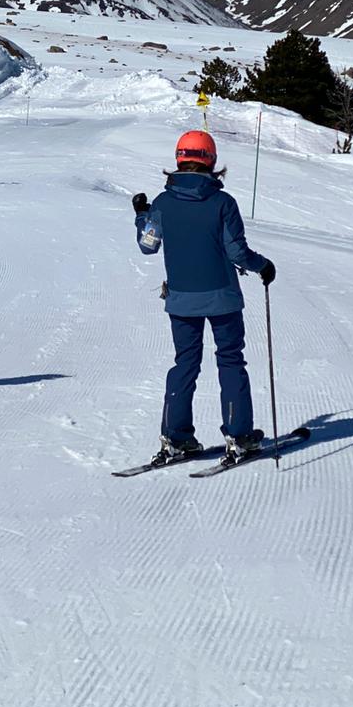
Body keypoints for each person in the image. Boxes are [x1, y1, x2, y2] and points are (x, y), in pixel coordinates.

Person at [132, 131, 276, 464]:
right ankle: (239, 435)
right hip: (222, 298)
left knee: (185, 362)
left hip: (182, 300)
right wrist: (263, 266)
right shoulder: (223, 203)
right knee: (229, 359)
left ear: (180, 158)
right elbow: (237, 252)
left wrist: (141, 215)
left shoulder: (163, 204)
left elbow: (147, 246)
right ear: (210, 160)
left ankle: (176, 436)